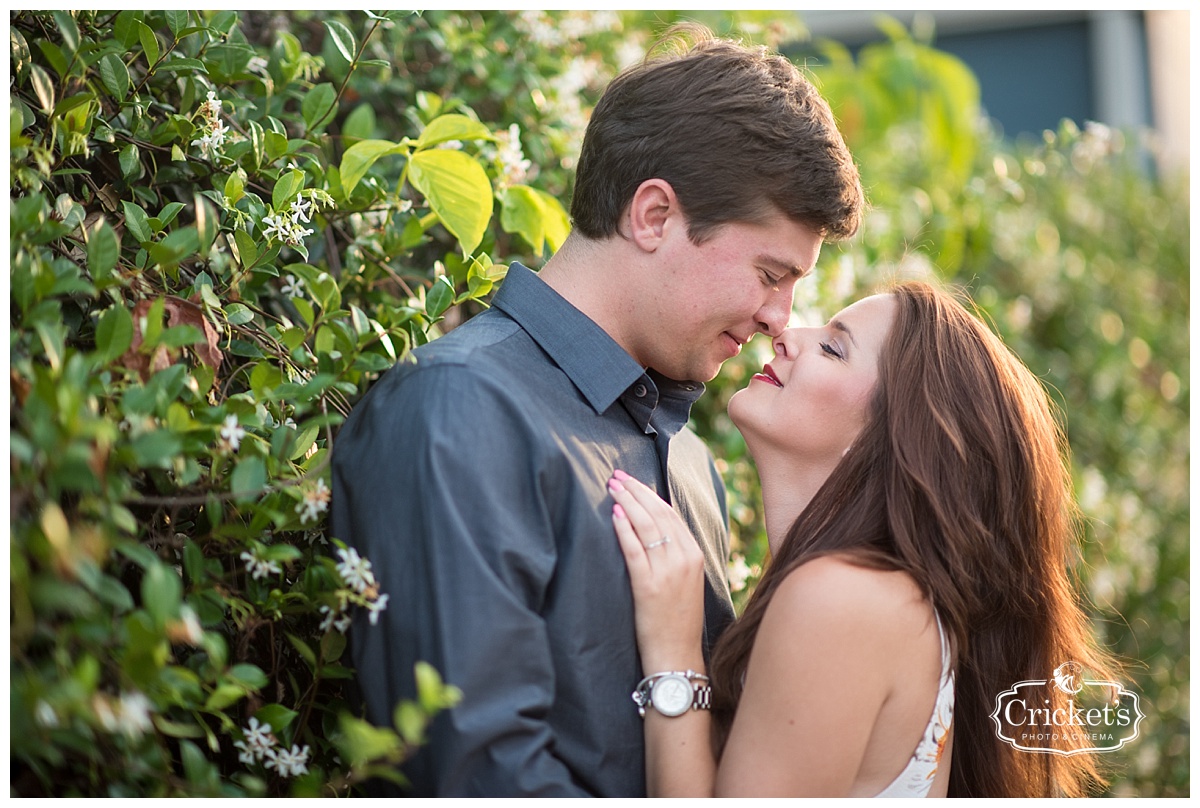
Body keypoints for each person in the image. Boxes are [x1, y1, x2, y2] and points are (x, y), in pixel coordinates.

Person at [330, 23, 864, 797]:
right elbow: (477, 772)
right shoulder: (458, 411)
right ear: (653, 216)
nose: (782, 317)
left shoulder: (688, 462)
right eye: (770, 273)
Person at [608, 280, 1119, 797]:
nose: (786, 333)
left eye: (833, 348)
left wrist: (674, 656)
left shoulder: (845, 598)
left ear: (896, 440)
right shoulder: (877, 600)